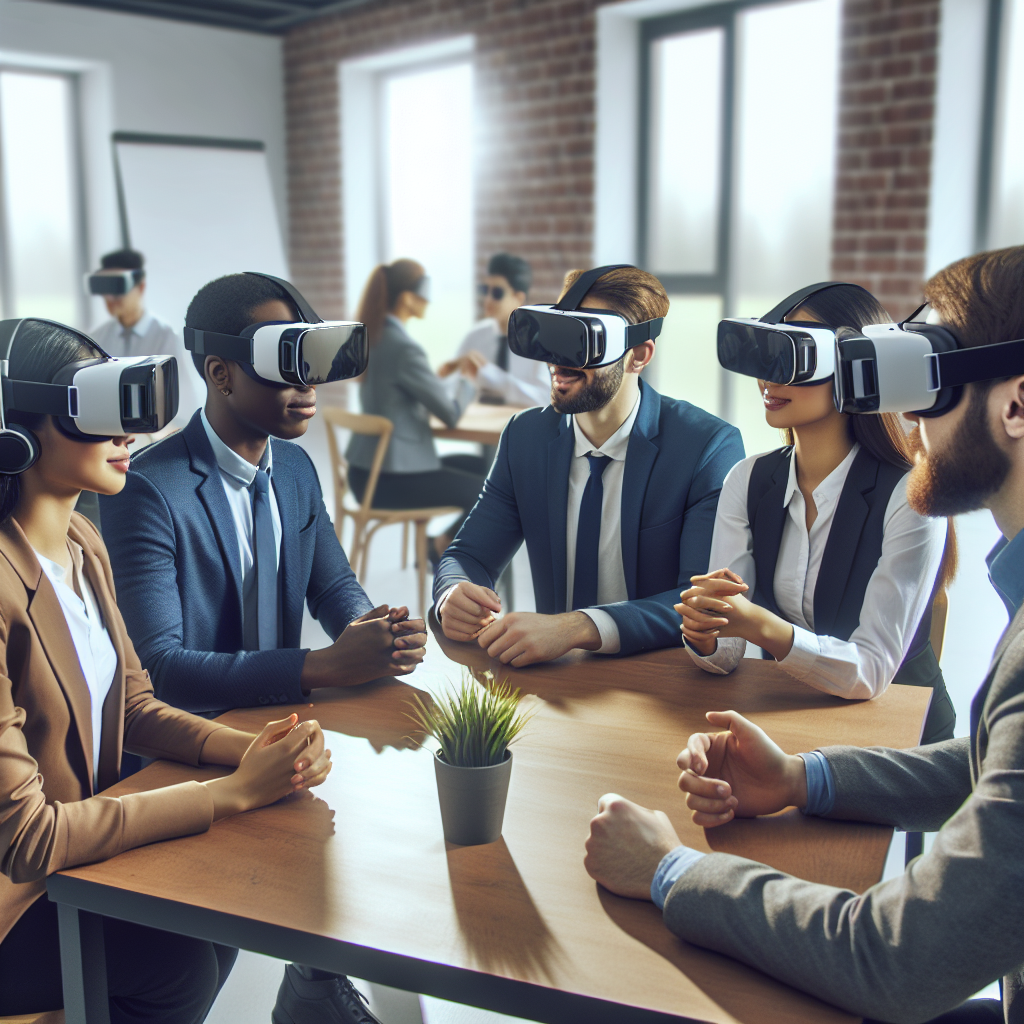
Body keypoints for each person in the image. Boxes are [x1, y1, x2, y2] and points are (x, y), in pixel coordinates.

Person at [583, 246, 1024, 1024]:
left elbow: (897, 958)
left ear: (1016, 406)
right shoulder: (753, 480)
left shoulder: (900, 498)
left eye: (933, 374)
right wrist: (801, 779)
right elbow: (995, 766)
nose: (912, 413)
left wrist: (667, 871)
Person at [100, 272, 422, 1024]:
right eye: (286, 367)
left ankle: (311, 981)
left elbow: (332, 584)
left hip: (275, 735)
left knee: (368, 848)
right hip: (181, 757)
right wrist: (324, 667)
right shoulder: (148, 489)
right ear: (219, 373)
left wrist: (369, 628)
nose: (308, 390)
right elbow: (167, 668)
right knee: (194, 972)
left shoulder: (297, 468)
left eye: (313, 366)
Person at [0, 318, 333, 1022]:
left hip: (76, 854)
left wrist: (254, 751)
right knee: (178, 965)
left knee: (223, 910)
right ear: (16, 431)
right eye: (93, 411)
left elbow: (136, 707)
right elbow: (28, 838)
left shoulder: (83, 544)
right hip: (16, 896)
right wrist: (232, 794)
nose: (127, 437)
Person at [678, 283, 957, 744]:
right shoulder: (746, 480)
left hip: (902, 738)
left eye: (793, 356)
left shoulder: (912, 494)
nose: (769, 378)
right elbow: (728, 652)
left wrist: (760, 625)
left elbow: (870, 670)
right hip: (790, 718)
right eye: (766, 356)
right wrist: (706, 634)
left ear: (857, 366)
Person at [434, 266, 745, 665]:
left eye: (584, 342)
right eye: (556, 335)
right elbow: (469, 555)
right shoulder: (524, 438)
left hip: (657, 681)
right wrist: (454, 592)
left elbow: (700, 605)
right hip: (554, 680)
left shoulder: (706, 447)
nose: (558, 362)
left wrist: (579, 627)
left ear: (639, 355)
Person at [346, 259, 487, 559]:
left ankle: (439, 543)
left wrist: (443, 374)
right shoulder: (404, 347)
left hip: (365, 474)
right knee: (490, 491)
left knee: (482, 469)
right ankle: (441, 545)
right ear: (408, 297)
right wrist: (469, 380)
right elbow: (451, 413)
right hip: (389, 481)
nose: (429, 300)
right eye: (424, 290)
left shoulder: (374, 337)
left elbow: (399, 394)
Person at [88, 248, 203, 434]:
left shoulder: (167, 337)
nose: (110, 298)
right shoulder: (97, 338)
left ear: (140, 287)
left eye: (118, 287)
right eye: (105, 288)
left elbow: (183, 408)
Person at [438, 252, 550, 407]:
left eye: (497, 293)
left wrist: (489, 375)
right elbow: (448, 391)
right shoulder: (474, 337)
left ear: (518, 298)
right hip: (477, 428)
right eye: (485, 290)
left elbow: (546, 399)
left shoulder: (540, 342)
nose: (488, 299)